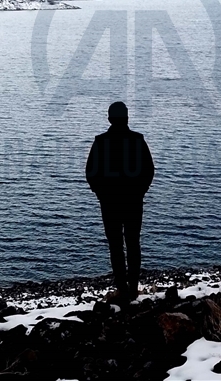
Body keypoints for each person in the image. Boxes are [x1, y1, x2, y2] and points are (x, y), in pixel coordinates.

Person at [86, 101, 155, 302]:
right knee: (133, 243)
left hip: (109, 203)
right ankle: (133, 288)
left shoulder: (101, 141)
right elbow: (148, 171)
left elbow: (91, 172)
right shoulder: (137, 140)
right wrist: (140, 192)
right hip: (133, 202)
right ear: (127, 118)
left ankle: (122, 289)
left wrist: (101, 194)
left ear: (109, 118)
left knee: (115, 245)